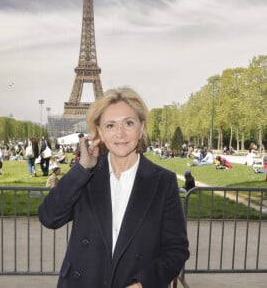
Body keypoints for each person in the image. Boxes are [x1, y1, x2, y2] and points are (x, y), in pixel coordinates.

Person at [38, 87, 189, 288]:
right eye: (110, 125)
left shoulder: (163, 182)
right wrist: (81, 169)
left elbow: (176, 249)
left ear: (141, 127)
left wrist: (143, 284)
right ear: (99, 131)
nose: (120, 133)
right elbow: (49, 217)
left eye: (128, 123)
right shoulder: (86, 176)